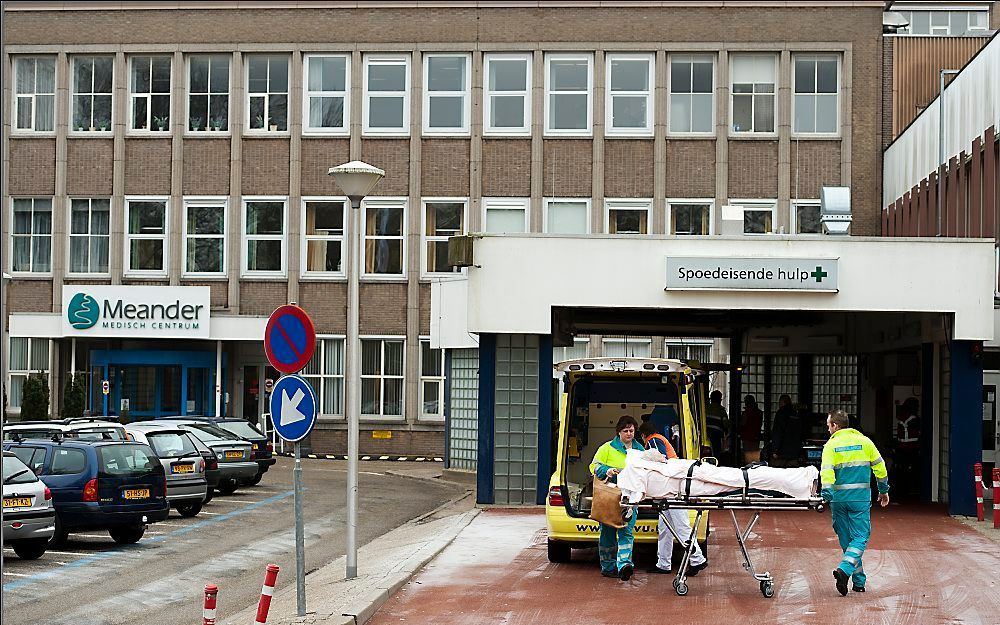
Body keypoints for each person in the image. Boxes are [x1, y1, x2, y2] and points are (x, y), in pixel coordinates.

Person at [820, 409, 889, 596]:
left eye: (828, 426)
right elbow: (880, 468)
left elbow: (826, 472)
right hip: (859, 499)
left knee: (847, 541)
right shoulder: (865, 442)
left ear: (835, 425)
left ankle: (858, 581)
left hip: (838, 499)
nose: (827, 430)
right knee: (859, 538)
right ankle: (844, 570)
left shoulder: (830, 446)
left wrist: (826, 494)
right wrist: (883, 491)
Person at [637, 421, 708, 577]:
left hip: (672, 489)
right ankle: (663, 563)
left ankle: (697, 559)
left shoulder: (653, 441)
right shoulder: (660, 438)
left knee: (681, 527)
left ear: (643, 435)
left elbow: (660, 461)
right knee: (665, 528)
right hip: (669, 490)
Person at [590, 415, 646, 581]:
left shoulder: (640, 450)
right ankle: (607, 566)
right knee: (607, 532)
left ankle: (624, 566)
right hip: (610, 496)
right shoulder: (607, 448)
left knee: (627, 531)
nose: (629, 433)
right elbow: (593, 466)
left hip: (631, 497)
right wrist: (606, 470)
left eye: (631, 430)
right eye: (625, 431)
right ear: (619, 432)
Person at [770, 395, 802, 467]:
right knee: (793, 473)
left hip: (782, 452)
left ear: (782, 402)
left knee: (778, 473)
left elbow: (778, 432)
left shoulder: (781, 413)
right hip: (794, 452)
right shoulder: (796, 414)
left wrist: (775, 450)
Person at [705, 390, 730, 461]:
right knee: (716, 452)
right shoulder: (721, 410)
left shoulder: (706, 408)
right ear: (719, 399)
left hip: (705, 433)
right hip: (716, 434)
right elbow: (725, 424)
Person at [739, 395, 763, 464]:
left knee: (748, 457)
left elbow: (742, 424)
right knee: (755, 457)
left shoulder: (746, 413)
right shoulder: (759, 413)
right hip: (756, 437)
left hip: (747, 437)